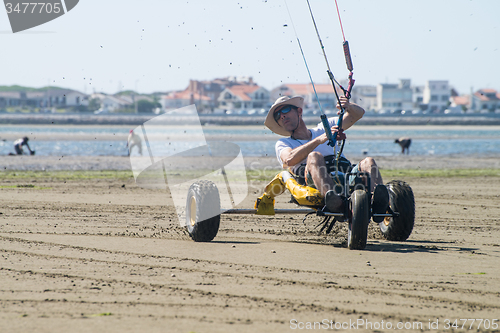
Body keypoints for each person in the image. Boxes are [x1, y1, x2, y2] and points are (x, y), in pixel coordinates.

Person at [264, 95, 389, 219]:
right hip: (314, 182)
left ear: (299, 111)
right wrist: (319, 140)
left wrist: (349, 106)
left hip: (344, 172)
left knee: (369, 162)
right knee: (314, 156)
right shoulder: (284, 143)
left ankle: (377, 203)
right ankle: (334, 201)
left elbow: (357, 114)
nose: (282, 116)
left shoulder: (324, 127)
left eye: (285, 110)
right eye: (277, 116)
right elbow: (289, 160)